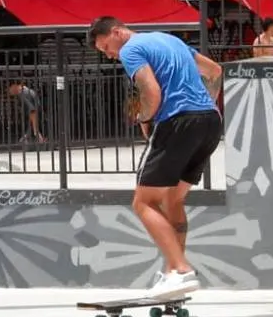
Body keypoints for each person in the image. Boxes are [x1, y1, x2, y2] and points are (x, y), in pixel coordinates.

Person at [88, 16, 224, 300]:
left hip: (177, 122)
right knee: (172, 199)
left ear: (116, 32)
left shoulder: (130, 49)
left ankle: (182, 269)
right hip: (210, 122)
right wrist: (206, 104)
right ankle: (176, 274)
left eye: (105, 47)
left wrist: (144, 118)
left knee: (143, 202)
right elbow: (214, 70)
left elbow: (151, 90)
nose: (109, 54)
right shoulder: (169, 39)